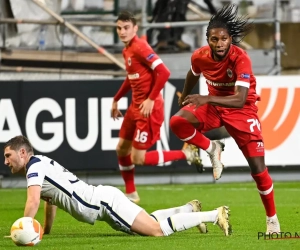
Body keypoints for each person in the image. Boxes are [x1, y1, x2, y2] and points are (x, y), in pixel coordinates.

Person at [169, 4, 280, 234]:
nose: (219, 44)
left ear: (230, 39)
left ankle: (272, 220)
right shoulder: (199, 56)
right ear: (207, 39)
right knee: (177, 122)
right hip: (213, 106)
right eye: (213, 39)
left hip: (241, 110)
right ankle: (211, 148)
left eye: (223, 39)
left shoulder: (241, 59)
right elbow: (192, 74)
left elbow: (239, 99)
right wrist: (184, 100)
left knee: (258, 170)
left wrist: (205, 98)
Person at [3, 135, 232, 237]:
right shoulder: (40, 164)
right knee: (150, 222)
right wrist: (45, 231)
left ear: (22, 152)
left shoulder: (34, 168)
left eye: (8, 155)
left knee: (156, 231)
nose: (5, 161)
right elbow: (48, 201)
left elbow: (32, 200)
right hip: (103, 204)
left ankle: (214, 215)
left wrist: (23, 231)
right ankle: (190, 210)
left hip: (104, 204)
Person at [112, 11, 201, 204]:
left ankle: (186, 153)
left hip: (149, 110)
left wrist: (151, 99)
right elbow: (132, 77)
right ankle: (131, 193)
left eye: (126, 27)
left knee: (138, 158)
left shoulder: (140, 47)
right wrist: (116, 99)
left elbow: (164, 71)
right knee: (121, 149)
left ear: (135, 28)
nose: (122, 31)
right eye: (119, 28)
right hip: (135, 107)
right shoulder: (126, 50)